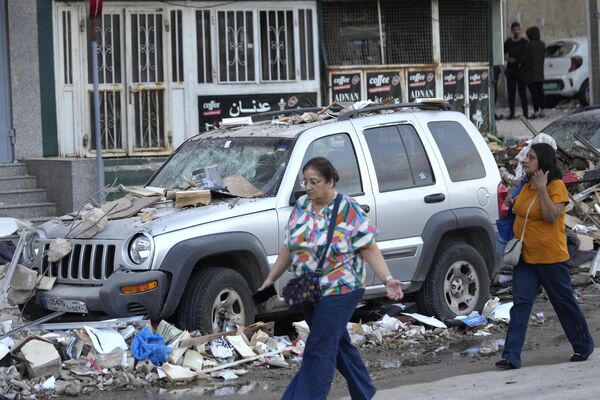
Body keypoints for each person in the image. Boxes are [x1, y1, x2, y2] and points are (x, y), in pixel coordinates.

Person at [258, 157, 403, 399]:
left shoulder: (348, 208)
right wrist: (270, 279)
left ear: (330, 181)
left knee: (319, 347)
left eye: (314, 182)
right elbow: (289, 246)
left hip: (343, 287)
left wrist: (388, 279)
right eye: (306, 181)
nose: (308, 187)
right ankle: (364, 391)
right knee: (336, 343)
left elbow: (369, 247)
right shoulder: (302, 205)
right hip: (310, 290)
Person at [495, 143, 594, 370]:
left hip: (551, 259)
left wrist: (541, 189)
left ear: (543, 162)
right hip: (525, 258)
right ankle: (511, 356)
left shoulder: (556, 186)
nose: (525, 161)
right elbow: (517, 211)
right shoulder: (525, 184)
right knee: (520, 305)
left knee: (563, 303)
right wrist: (511, 200)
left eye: (531, 158)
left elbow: (551, 216)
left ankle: (583, 345)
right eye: (526, 157)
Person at [504, 22, 529, 119]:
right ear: (511, 31)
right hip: (511, 70)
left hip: (521, 70)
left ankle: (525, 113)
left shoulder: (524, 42)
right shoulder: (508, 43)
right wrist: (508, 59)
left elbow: (527, 56)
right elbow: (503, 54)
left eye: (517, 29)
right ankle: (512, 113)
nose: (516, 32)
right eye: (514, 30)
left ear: (520, 30)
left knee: (523, 93)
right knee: (511, 93)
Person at [521, 26, 546, 119]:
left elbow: (523, 59)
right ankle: (543, 110)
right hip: (540, 73)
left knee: (534, 93)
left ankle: (536, 111)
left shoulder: (529, 45)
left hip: (530, 74)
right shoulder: (542, 44)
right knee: (540, 92)